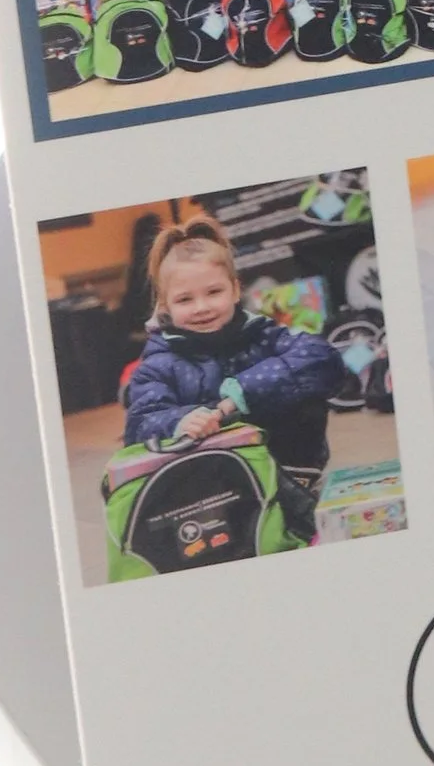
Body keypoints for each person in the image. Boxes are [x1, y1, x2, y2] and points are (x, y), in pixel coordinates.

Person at [119, 220, 342, 544]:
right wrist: (180, 421)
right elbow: (140, 424)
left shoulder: (264, 335)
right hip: (213, 499)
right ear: (165, 305)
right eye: (185, 300)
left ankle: (301, 522)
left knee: (300, 379)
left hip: (295, 472)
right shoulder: (158, 364)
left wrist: (243, 392)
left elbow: (325, 360)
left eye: (214, 292)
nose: (202, 308)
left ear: (236, 290)